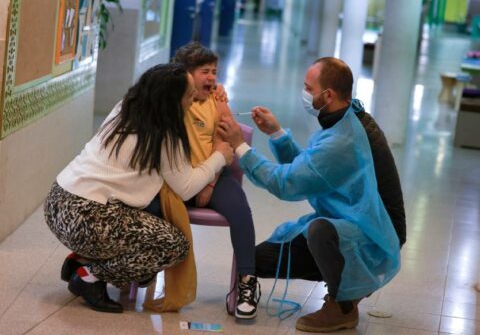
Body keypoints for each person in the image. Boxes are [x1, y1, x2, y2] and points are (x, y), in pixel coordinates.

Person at [217, 57, 402, 332]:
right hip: (344, 221)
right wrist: (277, 133)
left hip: (366, 234)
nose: (304, 93)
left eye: (308, 88)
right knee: (256, 260)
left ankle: (343, 304)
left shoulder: (343, 139)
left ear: (327, 95)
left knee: (319, 231)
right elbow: (312, 168)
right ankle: (342, 281)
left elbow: (287, 183)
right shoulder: (342, 119)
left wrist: (239, 147)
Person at [44, 63, 233, 314]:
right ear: (170, 101)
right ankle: (89, 276)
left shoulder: (127, 106)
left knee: (148, 223)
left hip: (58, 202)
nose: (192, 100)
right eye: (188, 96)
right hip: (88, 218)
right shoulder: (166, 133)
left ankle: (82, 258)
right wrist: (219, 157)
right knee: (173, 245)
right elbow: (186, 187)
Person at [171, 41, 260, 319]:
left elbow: (227, 137)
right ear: (186, 73)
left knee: (241, 211)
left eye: (214, 72)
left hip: (214, 175)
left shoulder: (217, 100)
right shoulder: (172, 97)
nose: (211, 78)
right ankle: (135, 268)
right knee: (146, 205)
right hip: (176, 176)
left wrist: (209, 182)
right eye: (204, 72)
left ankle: (246, 282)